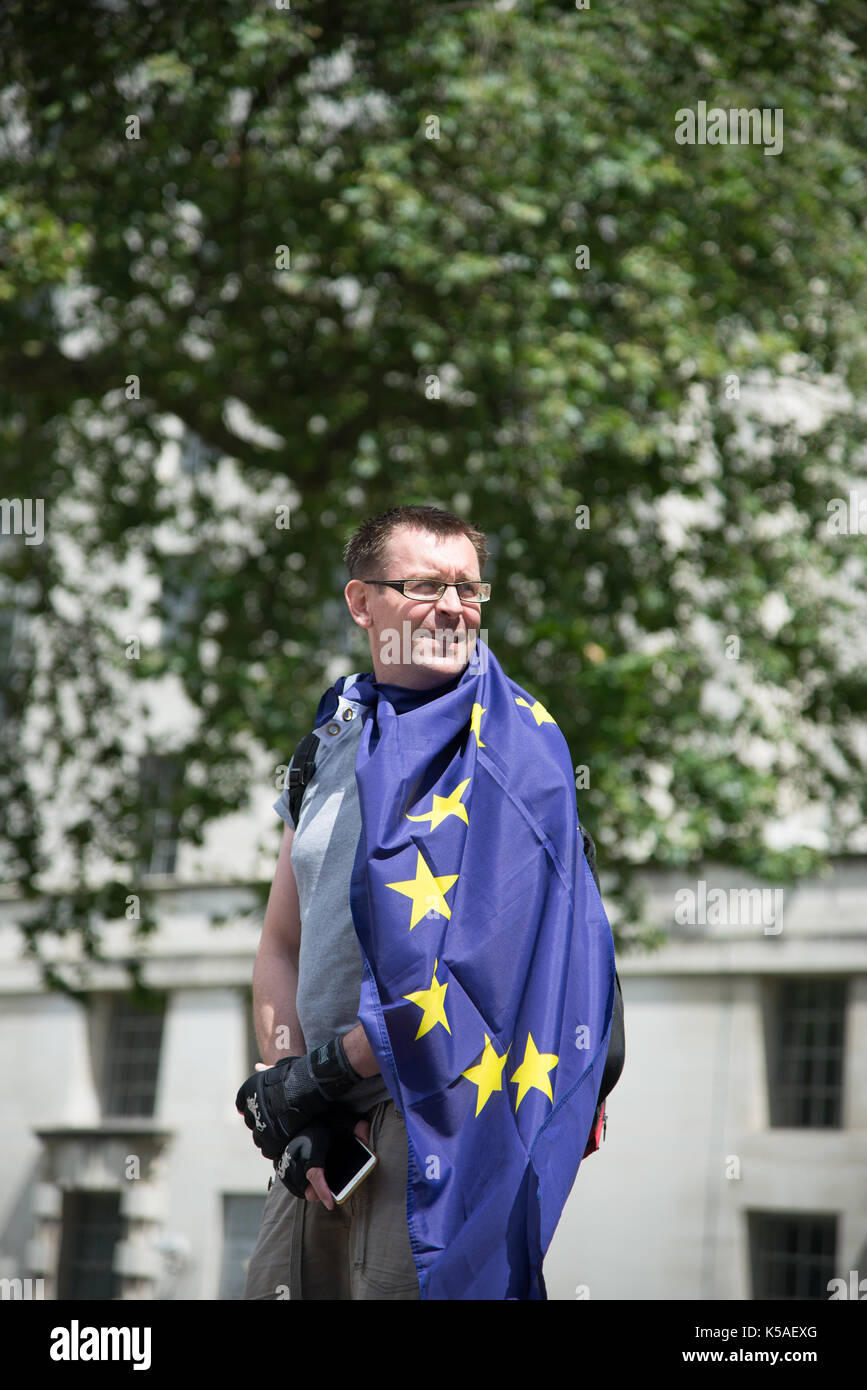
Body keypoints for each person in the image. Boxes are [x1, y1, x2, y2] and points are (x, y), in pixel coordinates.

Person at [238, 504, 620, 1300]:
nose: (452, 607)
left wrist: (315, 1081)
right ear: (360, 602)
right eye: (423, 586)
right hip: (322, 1136)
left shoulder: (520, 754)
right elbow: (280, 943)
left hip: (439, 1121)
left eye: (468, 588)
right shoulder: (328, 739)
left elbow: (476, 978)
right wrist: (287, 1098)